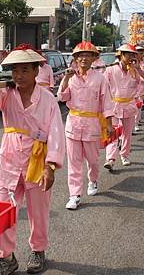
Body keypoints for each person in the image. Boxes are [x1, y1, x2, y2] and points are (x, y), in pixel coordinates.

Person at [0, 44, 65, 275]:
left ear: (36, 71)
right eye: (15, 71)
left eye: (24, 70)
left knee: (38, 211)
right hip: (9, 159)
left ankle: (38, 250)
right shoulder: (6, 93)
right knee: (1, 210)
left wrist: (50, 166)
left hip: (37, 160)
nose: (19, 76)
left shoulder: (47, 99)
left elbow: (56, 133)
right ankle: (5, 257)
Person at [57, 42, 114, 210]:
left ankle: (93, 180)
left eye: (87, 55)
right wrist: (66, 78)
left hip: (92, 124)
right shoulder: (70, 77)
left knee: (93, 160)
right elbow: (62, 97)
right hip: (73, 123)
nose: (83, 58)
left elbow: (107, 102)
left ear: (93, 59)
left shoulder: (100, 79)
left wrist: (109, 124)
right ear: (75, 59)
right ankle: (74, 194)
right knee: (74, 161)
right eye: (80, 55)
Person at [103, 44, 144, 170]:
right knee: (113, 132)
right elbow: (104, 87)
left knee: (127, 133)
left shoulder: (134, 70)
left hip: (129, 105)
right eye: (128, 54)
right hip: (114, 105)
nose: (130, 57)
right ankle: (110, 158)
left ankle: (125, 155)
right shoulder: (111, 70)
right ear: (121, 55)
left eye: (132, 55)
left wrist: (138, 69)